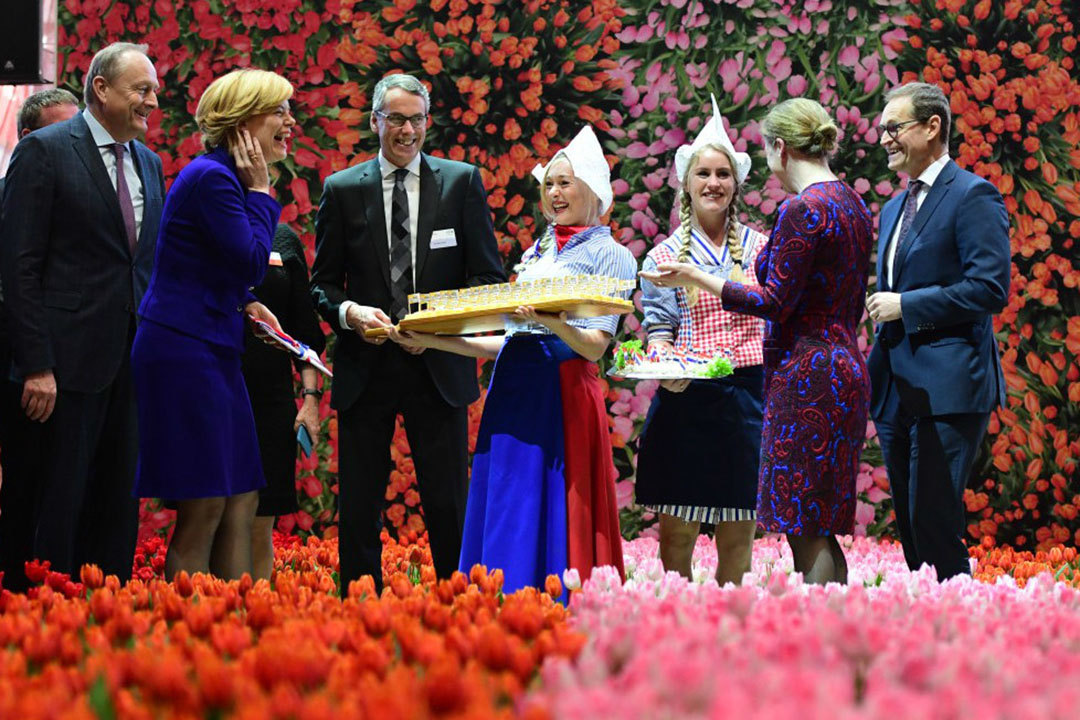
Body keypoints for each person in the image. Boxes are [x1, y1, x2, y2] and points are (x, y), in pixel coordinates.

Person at [395, 125, 636, 597]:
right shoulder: (536, 252)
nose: (555, 192)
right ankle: (500, 599)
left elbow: (594, 347)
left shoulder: (613, 256)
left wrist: (553, 324)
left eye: (565, 183)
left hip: (560, 390)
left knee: (550, 497)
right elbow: (508, 341)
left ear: (592, 189)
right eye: (549, 184)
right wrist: (433, 339)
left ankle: (554, 599)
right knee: (508, 498)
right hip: (512, 387)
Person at [643, 98, 873, 585]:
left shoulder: (802, 209)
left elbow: (772, 300)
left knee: (806, 528)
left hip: (805, 373)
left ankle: (820, 633)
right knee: (820, 523)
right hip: (843, 365)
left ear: (780, 148)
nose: (713, 184)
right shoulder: (852, 202)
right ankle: (833, 623)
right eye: (701, 174)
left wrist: (697, 278)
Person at [311, 73, 505, 596]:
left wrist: (435, 325)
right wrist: (351, 313)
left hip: (437, 364)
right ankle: (358, 608)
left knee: (448, 502)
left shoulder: (461, 182)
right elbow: (323, 285)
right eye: (396, 118)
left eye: (416, 119)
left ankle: (458, 602)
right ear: (375, 121)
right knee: (359, 504)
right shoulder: (343, 189)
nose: (407, 130)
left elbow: (487, 278)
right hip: (365, 366)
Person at [0, 43, 165, 584]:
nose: (152, 102)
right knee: (57, 508)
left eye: (154, 91)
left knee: (116, 507)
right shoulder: (45, 151)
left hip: (129, 366)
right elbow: (18, 266)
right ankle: (43, 630)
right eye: (141, 90)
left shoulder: (150, 163)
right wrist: (37, 364)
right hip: (62, 371)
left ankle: (105, 618)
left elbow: (144, 266)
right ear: (101, 87)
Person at [132, 68, 292, 580]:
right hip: (184, 350)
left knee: (241, 495)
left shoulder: (225, 178)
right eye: (280, 111)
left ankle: (233, 626)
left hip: (213, 347)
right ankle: (189, 638)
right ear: (244, 122)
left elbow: (220, 267)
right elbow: (249, 259)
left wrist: (244, 302)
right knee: (204, 506)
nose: (290, 121)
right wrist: (264, 193)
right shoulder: (213, 178)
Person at [866, 82, 1010, 580]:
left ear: (932, 127)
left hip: (949, 385)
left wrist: (906, 305)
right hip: (896, 386)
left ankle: (959, 629)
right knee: (909, 522)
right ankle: (925, 628)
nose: (884, 138)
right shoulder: (892, 209)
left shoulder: (973, 195)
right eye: (881, 129)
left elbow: (989, 289)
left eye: (893, 127)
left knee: (934, 516)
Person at [635, 97, 767, 586]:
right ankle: (677, 632)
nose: (713, 183)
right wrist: (664, 360)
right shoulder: (665, 254)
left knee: (738, 539)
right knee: (677, 537)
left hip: (748, 401)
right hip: (686, 402)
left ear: (736, 184)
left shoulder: (761, 249)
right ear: (686, 184)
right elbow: (660, 326)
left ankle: (731, 640)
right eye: (703, 174)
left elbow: (773, 313)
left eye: (722, 174)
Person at [0, 88, 80, 593]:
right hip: (18, 366)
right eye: (59, 131)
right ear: (27, 138)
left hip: (63, 366)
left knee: (50, 489)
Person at [241, 223, 325, 581]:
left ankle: (256, 615)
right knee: (207, 516)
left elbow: (303, 333)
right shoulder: (203, 223)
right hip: (212, 389)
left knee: (261, 522)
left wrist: (309, 400)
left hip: (271, 399)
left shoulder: (284, 239)